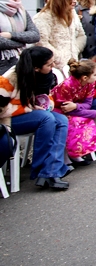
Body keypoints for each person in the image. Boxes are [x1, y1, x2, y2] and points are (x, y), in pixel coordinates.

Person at [0, 47, 70, 190]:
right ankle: (40, 170)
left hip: (31, 113)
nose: (53, 67)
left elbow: (46, 98)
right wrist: (29, 108)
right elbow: (1, 110)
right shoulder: (9, 78)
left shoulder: (46, 76)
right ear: (36, 68)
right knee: (46, 119)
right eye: (49, 65)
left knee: (61, 120)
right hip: (8, 120)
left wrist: (43, 105)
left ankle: (50, 171)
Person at [49, 59, 96, 165]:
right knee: (74, 121)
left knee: (83, 119)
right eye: (95, 74)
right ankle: (67, 156)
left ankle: (77, 154)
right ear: (85, 77)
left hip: (75, 109)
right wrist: (94, 113)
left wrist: (76, 106)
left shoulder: (90, 83)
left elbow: (88, 104)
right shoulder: (67, 85)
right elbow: (65, 109)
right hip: (58, 110)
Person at [34, 0, 86, 70]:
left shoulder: (73, 14)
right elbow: (41, 42)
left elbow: (81, 35)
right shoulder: (42, 17)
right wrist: (59, 57)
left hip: (73, 64)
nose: (75, 1)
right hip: (53, 66)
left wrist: (75, 49)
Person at [0, 0, 40, 75]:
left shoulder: (21, 11)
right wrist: (21, 43)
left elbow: (35, 35)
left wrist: (11, 35)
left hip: (19, 60)